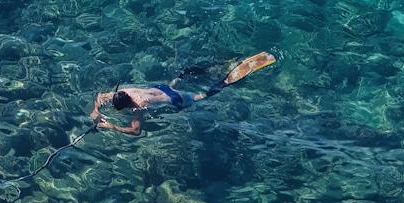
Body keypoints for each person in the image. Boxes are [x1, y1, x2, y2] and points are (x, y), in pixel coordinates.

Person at [90, 51, 276, 136]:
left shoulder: (138, 107)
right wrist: (96, 110)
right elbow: (100, 96)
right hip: (163, 88)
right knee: (181, 76)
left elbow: (136, 131)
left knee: (202, 97)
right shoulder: (123, 91)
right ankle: (220, 65)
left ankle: (226, 80)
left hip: (174, 98)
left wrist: (110, 127)